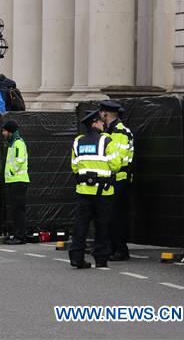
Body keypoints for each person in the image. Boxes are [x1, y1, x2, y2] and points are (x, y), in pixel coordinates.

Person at [69, 110, 121, 269]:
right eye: (101, 122)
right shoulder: (107, 141)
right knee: (102, 226)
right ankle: (100, 259)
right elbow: (116, 165)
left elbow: (74, 165)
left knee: (81, 226)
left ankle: (77, 258)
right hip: (103, 192)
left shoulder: (78, 141)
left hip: (83, 190)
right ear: (95, 123)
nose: (103, 124)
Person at [99, 100, 134, 261]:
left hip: (119, 178)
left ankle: (120, 249)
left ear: (105, 113)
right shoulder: (111, 131)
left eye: (101, 112)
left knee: (116, 216)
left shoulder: (119, 132)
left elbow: (116, 160)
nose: (99, 115)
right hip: (112, 179)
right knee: (110, 216)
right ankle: (113, 247)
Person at [1, 120, 29, 245]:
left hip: (18, 180)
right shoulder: (13, 144)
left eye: (4, 131)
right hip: (14, 181)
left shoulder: (18, 143)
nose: (3, 133)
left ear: (9, 131)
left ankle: (20, 236)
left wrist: (11, 171)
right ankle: (17, 234)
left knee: (18, 210)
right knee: (15, 210)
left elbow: (19, 159)